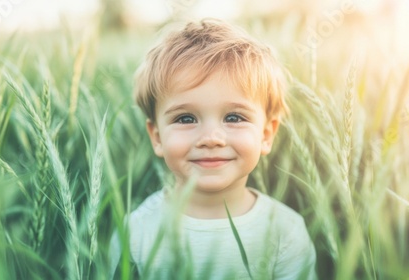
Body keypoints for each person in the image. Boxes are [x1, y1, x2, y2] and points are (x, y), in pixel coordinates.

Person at [110, 18, 317, 280]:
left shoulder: (285, 233)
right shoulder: (136, 232)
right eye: (186, 118)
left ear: (266, 134)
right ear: (157, 137)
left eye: (234, 118)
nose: (210, 138)